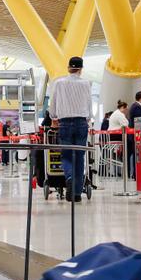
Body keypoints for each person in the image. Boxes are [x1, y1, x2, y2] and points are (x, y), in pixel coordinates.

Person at [48, 56, 92, 202]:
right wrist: (88, 118)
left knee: (66, 155)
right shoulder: (86, 84)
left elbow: (53, 103)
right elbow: (89, 104)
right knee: (80, 157)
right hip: (81, 122)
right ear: (81, 69)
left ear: (68, 68)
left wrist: (54, 117)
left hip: (65, 123)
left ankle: (70, 178)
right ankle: (77, 193)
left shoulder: (59, 83)